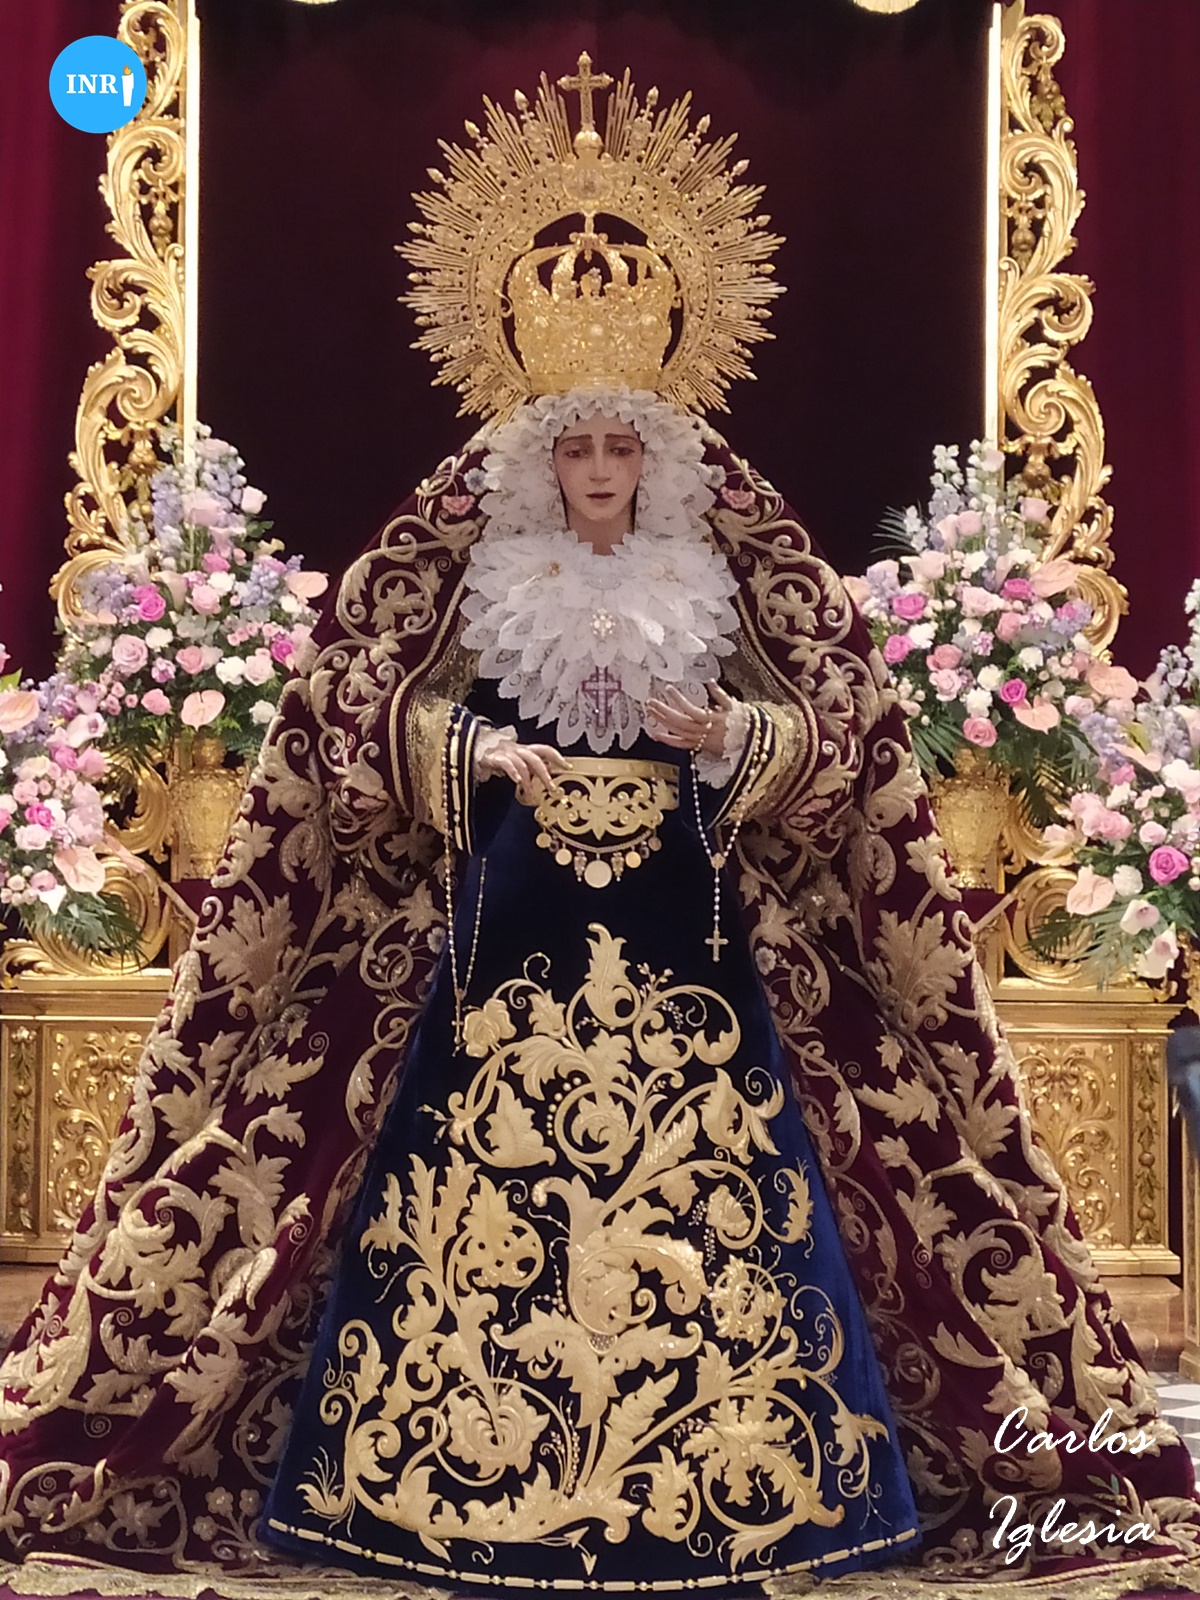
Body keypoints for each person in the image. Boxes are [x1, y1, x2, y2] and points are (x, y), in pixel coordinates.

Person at [1, 53, 1199, 1600]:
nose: (597, 473)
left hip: (692, 925)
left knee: (753, 1173)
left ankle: (757, 1474)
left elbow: (843, 728)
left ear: (657, 455)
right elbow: (353, 713)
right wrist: (475, 751)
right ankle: (431, 1473)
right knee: (452, 1181)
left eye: (620, 449)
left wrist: (736, 740)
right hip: (504, 921)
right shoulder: (471, 570)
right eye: (574, 450)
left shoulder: (725, 573)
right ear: (539, 457)